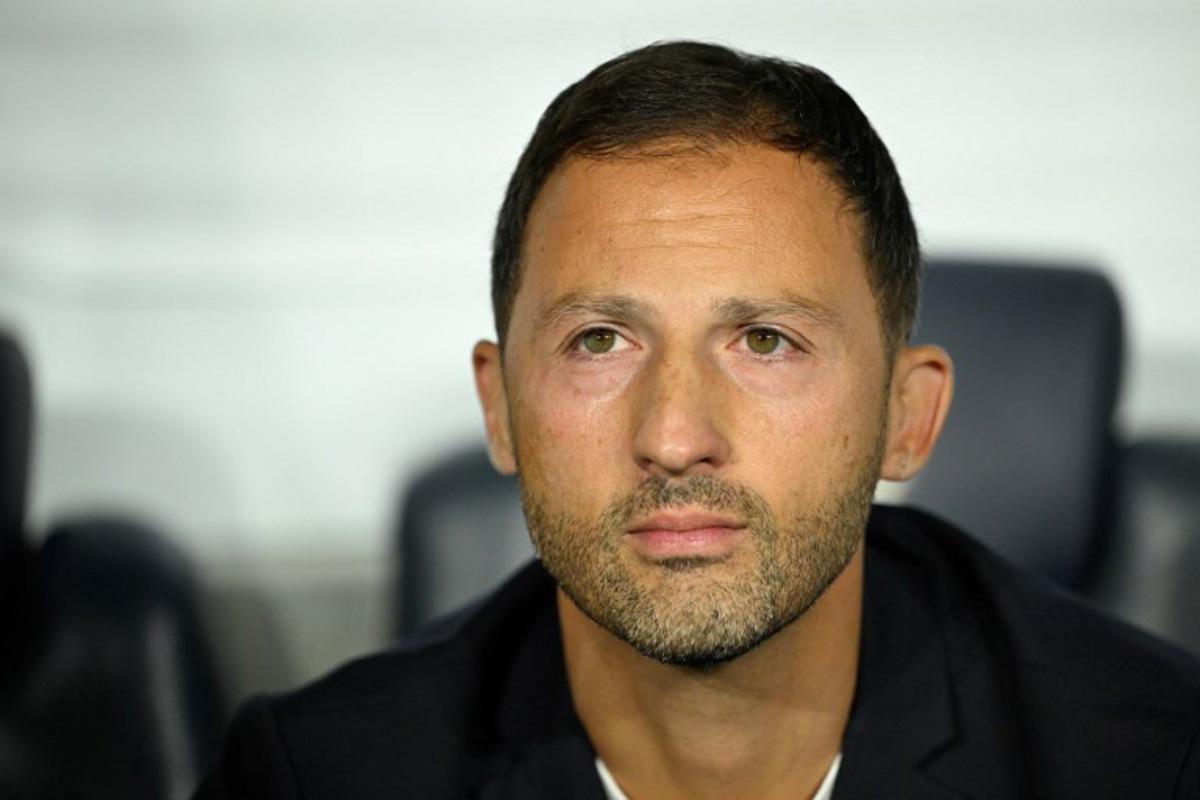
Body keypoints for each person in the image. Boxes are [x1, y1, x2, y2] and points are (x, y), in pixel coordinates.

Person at [195, 41, 1200, 799]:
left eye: (765, 340)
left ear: (908, 413)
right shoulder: (320, 775)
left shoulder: (1149, 757)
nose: (674, 436)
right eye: (599, 340)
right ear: (499, 408)